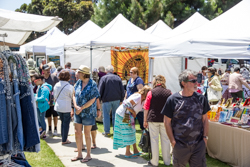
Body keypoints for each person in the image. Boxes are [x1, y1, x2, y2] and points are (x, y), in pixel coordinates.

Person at [162, 69, 210, 167]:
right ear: (183, 83)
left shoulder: (201, 98)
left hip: (198, 145)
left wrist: (205, 138)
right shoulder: (173, 99)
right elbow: (167, 122)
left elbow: (205, 120)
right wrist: (173, 141)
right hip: (180, 145)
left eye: (197, 80)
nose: (196, 83)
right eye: (193, 81)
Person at [113, 86, 151, 158]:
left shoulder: (143, 100)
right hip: (123, 114)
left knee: (132, 132)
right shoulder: (138, 97)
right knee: (128, 132)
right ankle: (127, 152)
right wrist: (133, 112)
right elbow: (126, 104)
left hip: (128, 116)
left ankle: (135, 150)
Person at [71, 65, 100, 163]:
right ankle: (79, 154)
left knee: (87, 133)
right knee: (77, 132)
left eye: (79, 72)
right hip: (77, 111)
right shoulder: (78, 82)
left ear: (83, 73)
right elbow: (74, 94)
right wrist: (75, 106)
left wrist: (82, 108)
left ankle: (88, 155)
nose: (77, 74)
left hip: (88, 112)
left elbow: (93, 99)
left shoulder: (93, 84)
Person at [143, 75, 172, 166]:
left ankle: (154, 161)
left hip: (153, 118)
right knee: (166, 140)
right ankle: (167, 161)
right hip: (165, 119)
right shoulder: (169, 92)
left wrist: (145, 120)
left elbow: (146, 107)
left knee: (154, 140)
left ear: (155, 82)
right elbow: (172, 107)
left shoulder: (151, 92)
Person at [98, 65, 125, 137]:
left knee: (106, 115)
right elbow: (122, 90)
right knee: (115, 115)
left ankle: (107, 132)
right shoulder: (118, 78)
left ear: (106, 71)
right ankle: (115, 131)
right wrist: (122, 99)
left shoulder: (103, 78)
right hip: (116, 99)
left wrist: (99, 100)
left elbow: (100, 90)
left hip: (106, 100)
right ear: (113, 71)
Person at [54, 71, 74, 145]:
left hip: (58, 106)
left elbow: (55, 96)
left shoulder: (56, 85)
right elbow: (72, 97)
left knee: (63, 123)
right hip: (66, 107)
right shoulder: (70, 87)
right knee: (66, 124)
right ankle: (64, 139)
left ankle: (64, 137)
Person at [42, 64, 59, 136]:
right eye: (46, 70)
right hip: (45, 100)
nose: (48, 71)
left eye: (49, 69)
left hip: (53, 99)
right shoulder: (42, 78)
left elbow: (58, 85)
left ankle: (55, 128)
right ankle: (49, 128)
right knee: (48, 115)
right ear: (43, 71)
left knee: (55, 114)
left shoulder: (53, 77)